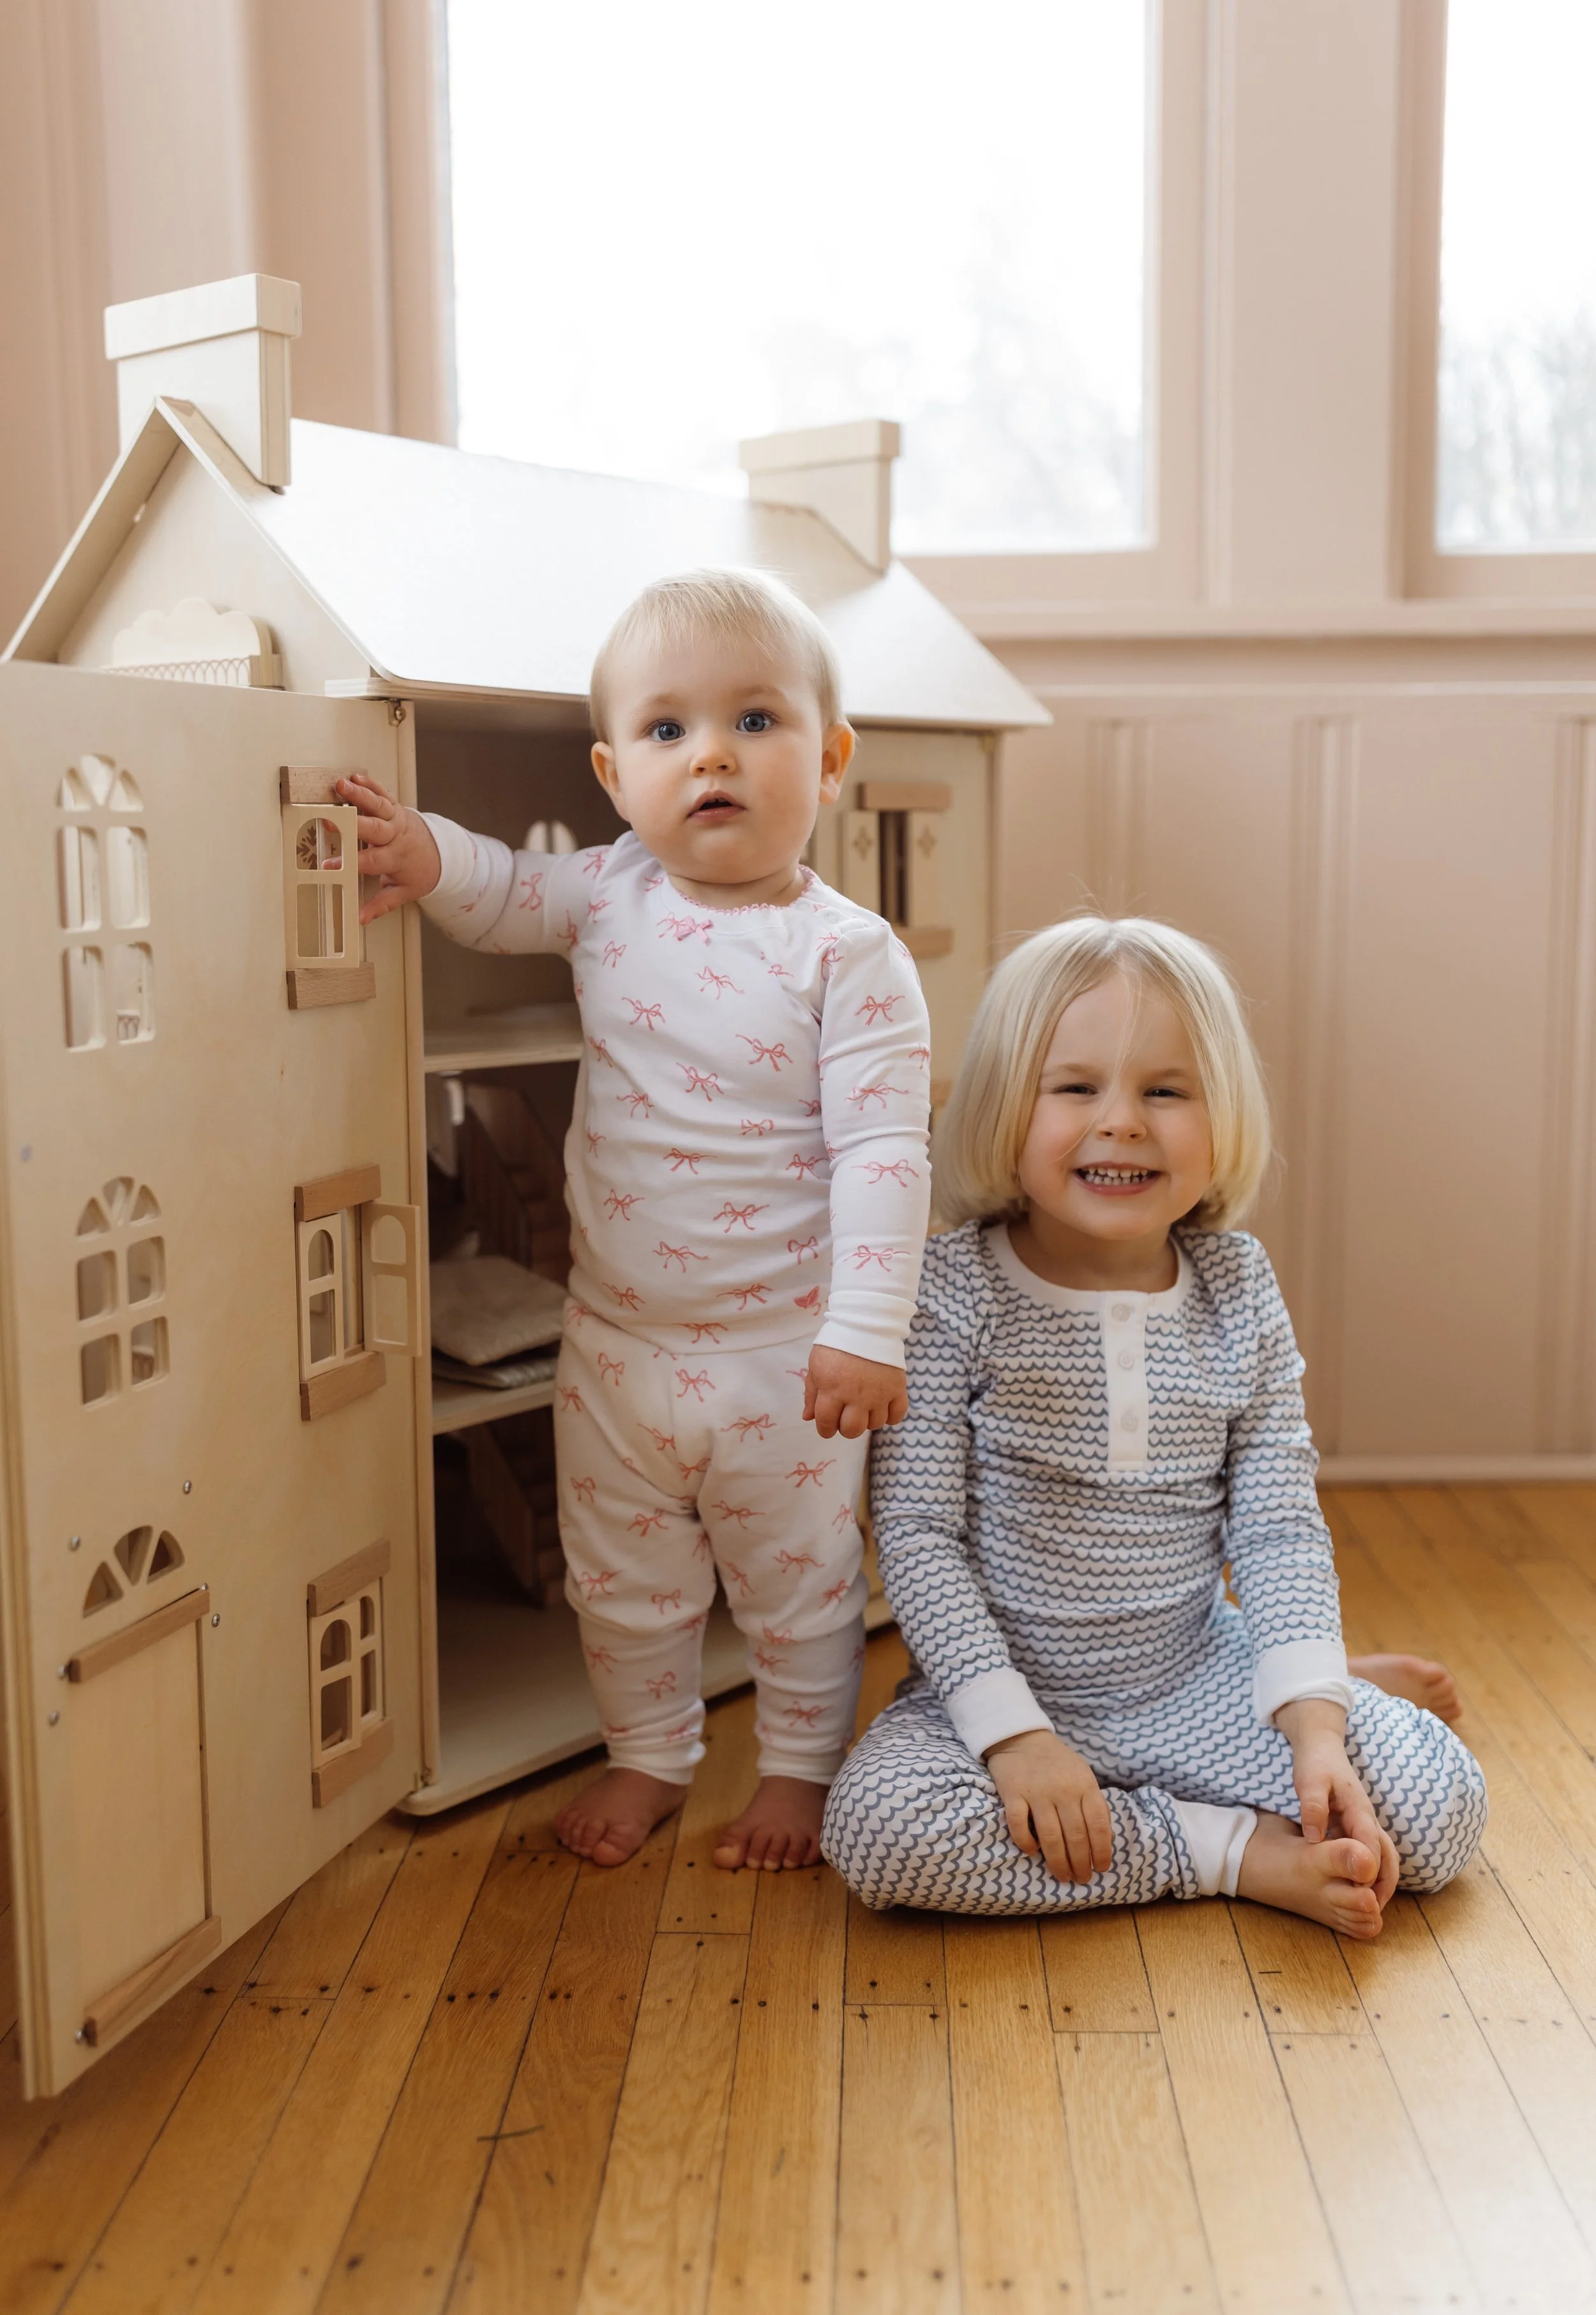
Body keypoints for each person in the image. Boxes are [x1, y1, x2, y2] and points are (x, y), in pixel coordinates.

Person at [336, 569, 930, 1873]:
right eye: (667, 732)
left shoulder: (846, 955)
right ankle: (649, 1753)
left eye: (754, 722)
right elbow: (494, 893)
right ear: (613, 777)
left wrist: (866, 1327)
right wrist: (419, 850)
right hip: (613, 1343)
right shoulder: (608, 894)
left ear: (828, 761)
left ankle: (794, 1770)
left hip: (783, 1351)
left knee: (800, 1585)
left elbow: (884, 1150)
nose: (709, 752)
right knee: (620, 1578)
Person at [821, 916, 1486, 1936]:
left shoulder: (1239, 1286)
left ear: (1222, 1117)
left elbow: (1275, 1528)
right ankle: (1224, 1852)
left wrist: (1311, 1727)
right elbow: (914, 1536)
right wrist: (1012, 1740)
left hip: (1193, 1673)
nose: (1123, 1123)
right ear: (1004, 1105)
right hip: (1008, 1688)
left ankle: (1313, 1673)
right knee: (882, 1833)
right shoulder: (948, 1291)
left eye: (1166, 1091)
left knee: (1438, 1813)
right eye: (1076, 1087)